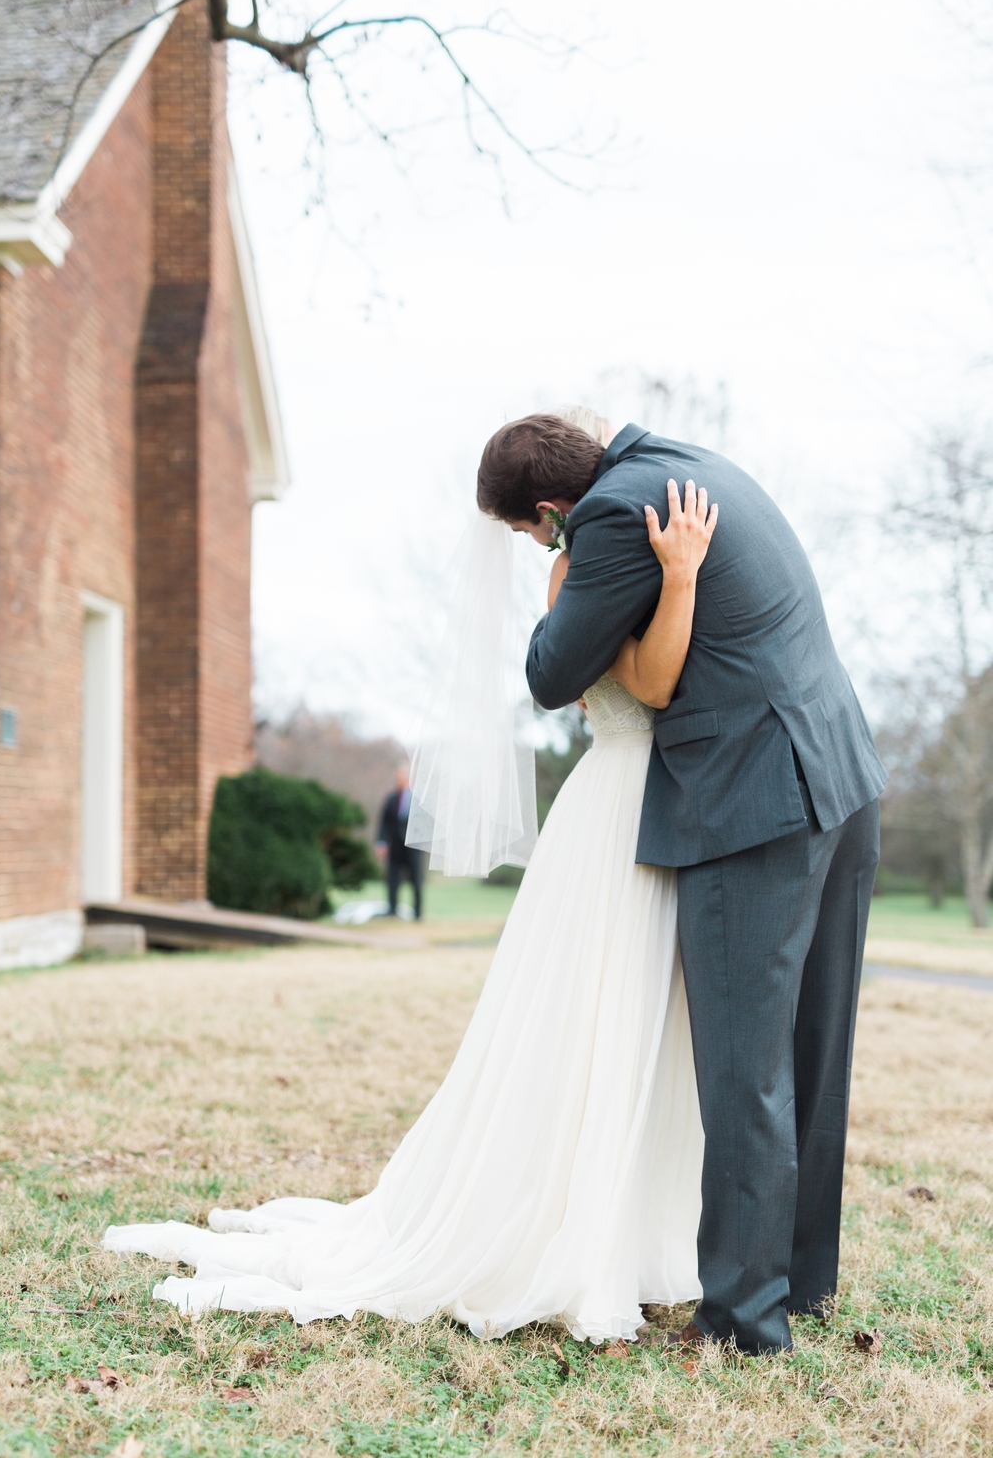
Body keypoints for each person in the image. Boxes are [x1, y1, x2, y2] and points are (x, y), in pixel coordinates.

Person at [101, 420, 719, 1344]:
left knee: (641, 1021)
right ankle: (564, 1225)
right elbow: (654, 685)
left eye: (528, 530)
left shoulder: (606, 547)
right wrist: (679, 578)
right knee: (593, 1014)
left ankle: (630, 1223)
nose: (533, 547)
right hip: (619, 806)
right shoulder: (575, 575)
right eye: (528, 535)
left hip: (657, 803)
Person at [489, 413, 886, 1355]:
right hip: (837, 771)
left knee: (746, 1065)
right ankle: (801, 1283)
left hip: (756, 800)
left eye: (529, 531)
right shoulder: (685, 466)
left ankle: (747, 1321)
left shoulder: (613, 518)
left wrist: (571, 571)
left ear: (549, 512)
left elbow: (552, 674)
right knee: (810, 1050)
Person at [376, 766, 424, 919]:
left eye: (401, 776)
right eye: (396, 777)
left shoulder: (419, 798)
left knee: (416, 880)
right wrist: (381, 843)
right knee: (393, 879)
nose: (398, 780)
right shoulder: (391, 798)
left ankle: (418, 913)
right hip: (395, 845)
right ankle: (392, 910)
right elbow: (384, 822)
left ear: (409, 777)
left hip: (414, 846)